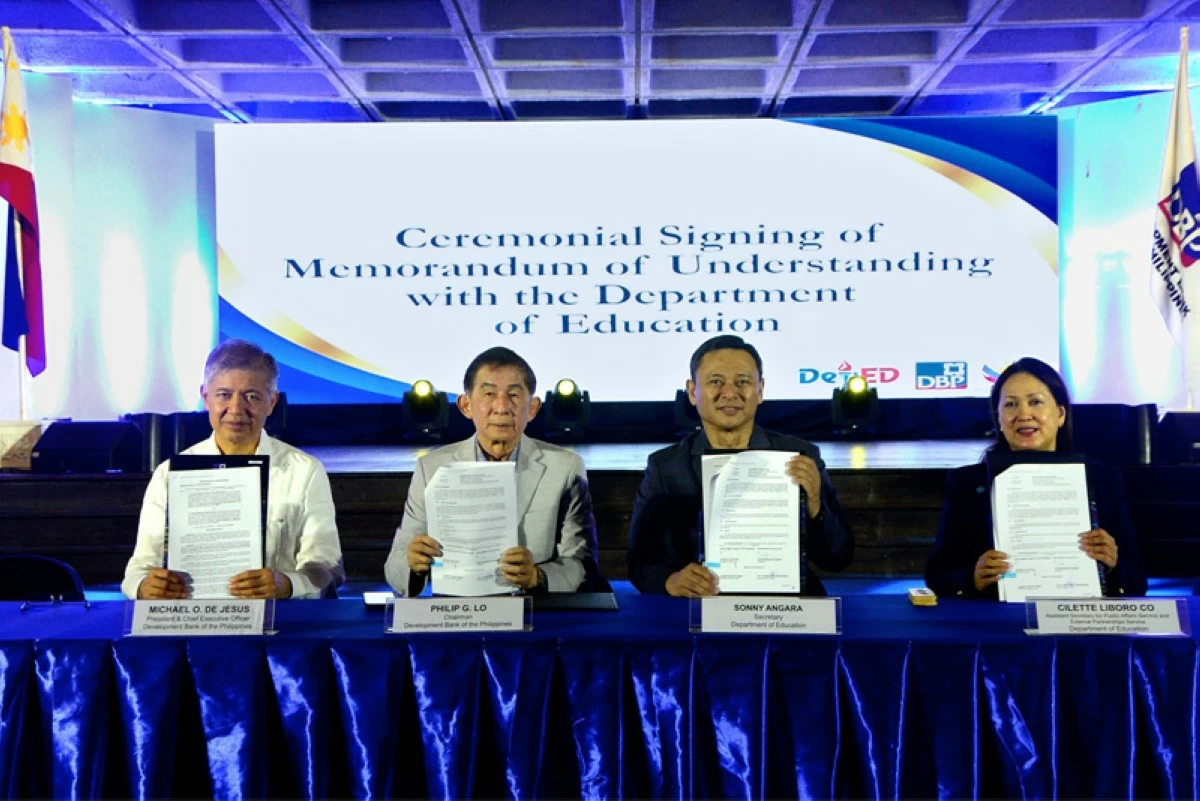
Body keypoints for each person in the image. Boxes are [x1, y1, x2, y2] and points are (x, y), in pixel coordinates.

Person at [626, 335, 854, 596]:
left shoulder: (799, 456)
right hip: (699, 608)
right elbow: (639, 562)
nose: (730, 393)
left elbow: (838, 558)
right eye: (716, 382)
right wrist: (672, 580)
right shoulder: (666, 467)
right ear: (692, 392)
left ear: (760, 390)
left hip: (786, 608)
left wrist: (815, 504)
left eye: (743, 382)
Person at [122, 340, 344, 600]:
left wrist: (287, 584)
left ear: (271, 402)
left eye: (252, 397)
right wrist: (144, 586)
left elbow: (329, 567)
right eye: (224, 395)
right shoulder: (169, 474)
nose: (236, 409)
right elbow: (140, 568)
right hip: (191, 621)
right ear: (205, 397)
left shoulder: (304, 472)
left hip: (278, 624)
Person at [924, 357, 1147, 599]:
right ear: (998, 418)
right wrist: (972, 578)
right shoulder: (966, 483)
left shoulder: (1102, 480)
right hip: (997, 625)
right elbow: (938, 576)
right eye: (1010, 405)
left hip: (1079, 622)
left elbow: (1136, 583)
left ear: (1060, 414)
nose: (1024, 414)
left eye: (1035, 402)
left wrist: (1112, 564)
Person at [385, 346, 599, 596]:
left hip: (535, 612)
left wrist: (537, 577)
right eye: (489, 394)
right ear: (465, 405)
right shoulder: (432, 468)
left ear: (532, 408)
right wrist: (414, 564)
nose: (501, 407)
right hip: (458, 614)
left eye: (514, 395)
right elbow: (396, 567)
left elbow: (582, 565)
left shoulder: (565, 468)